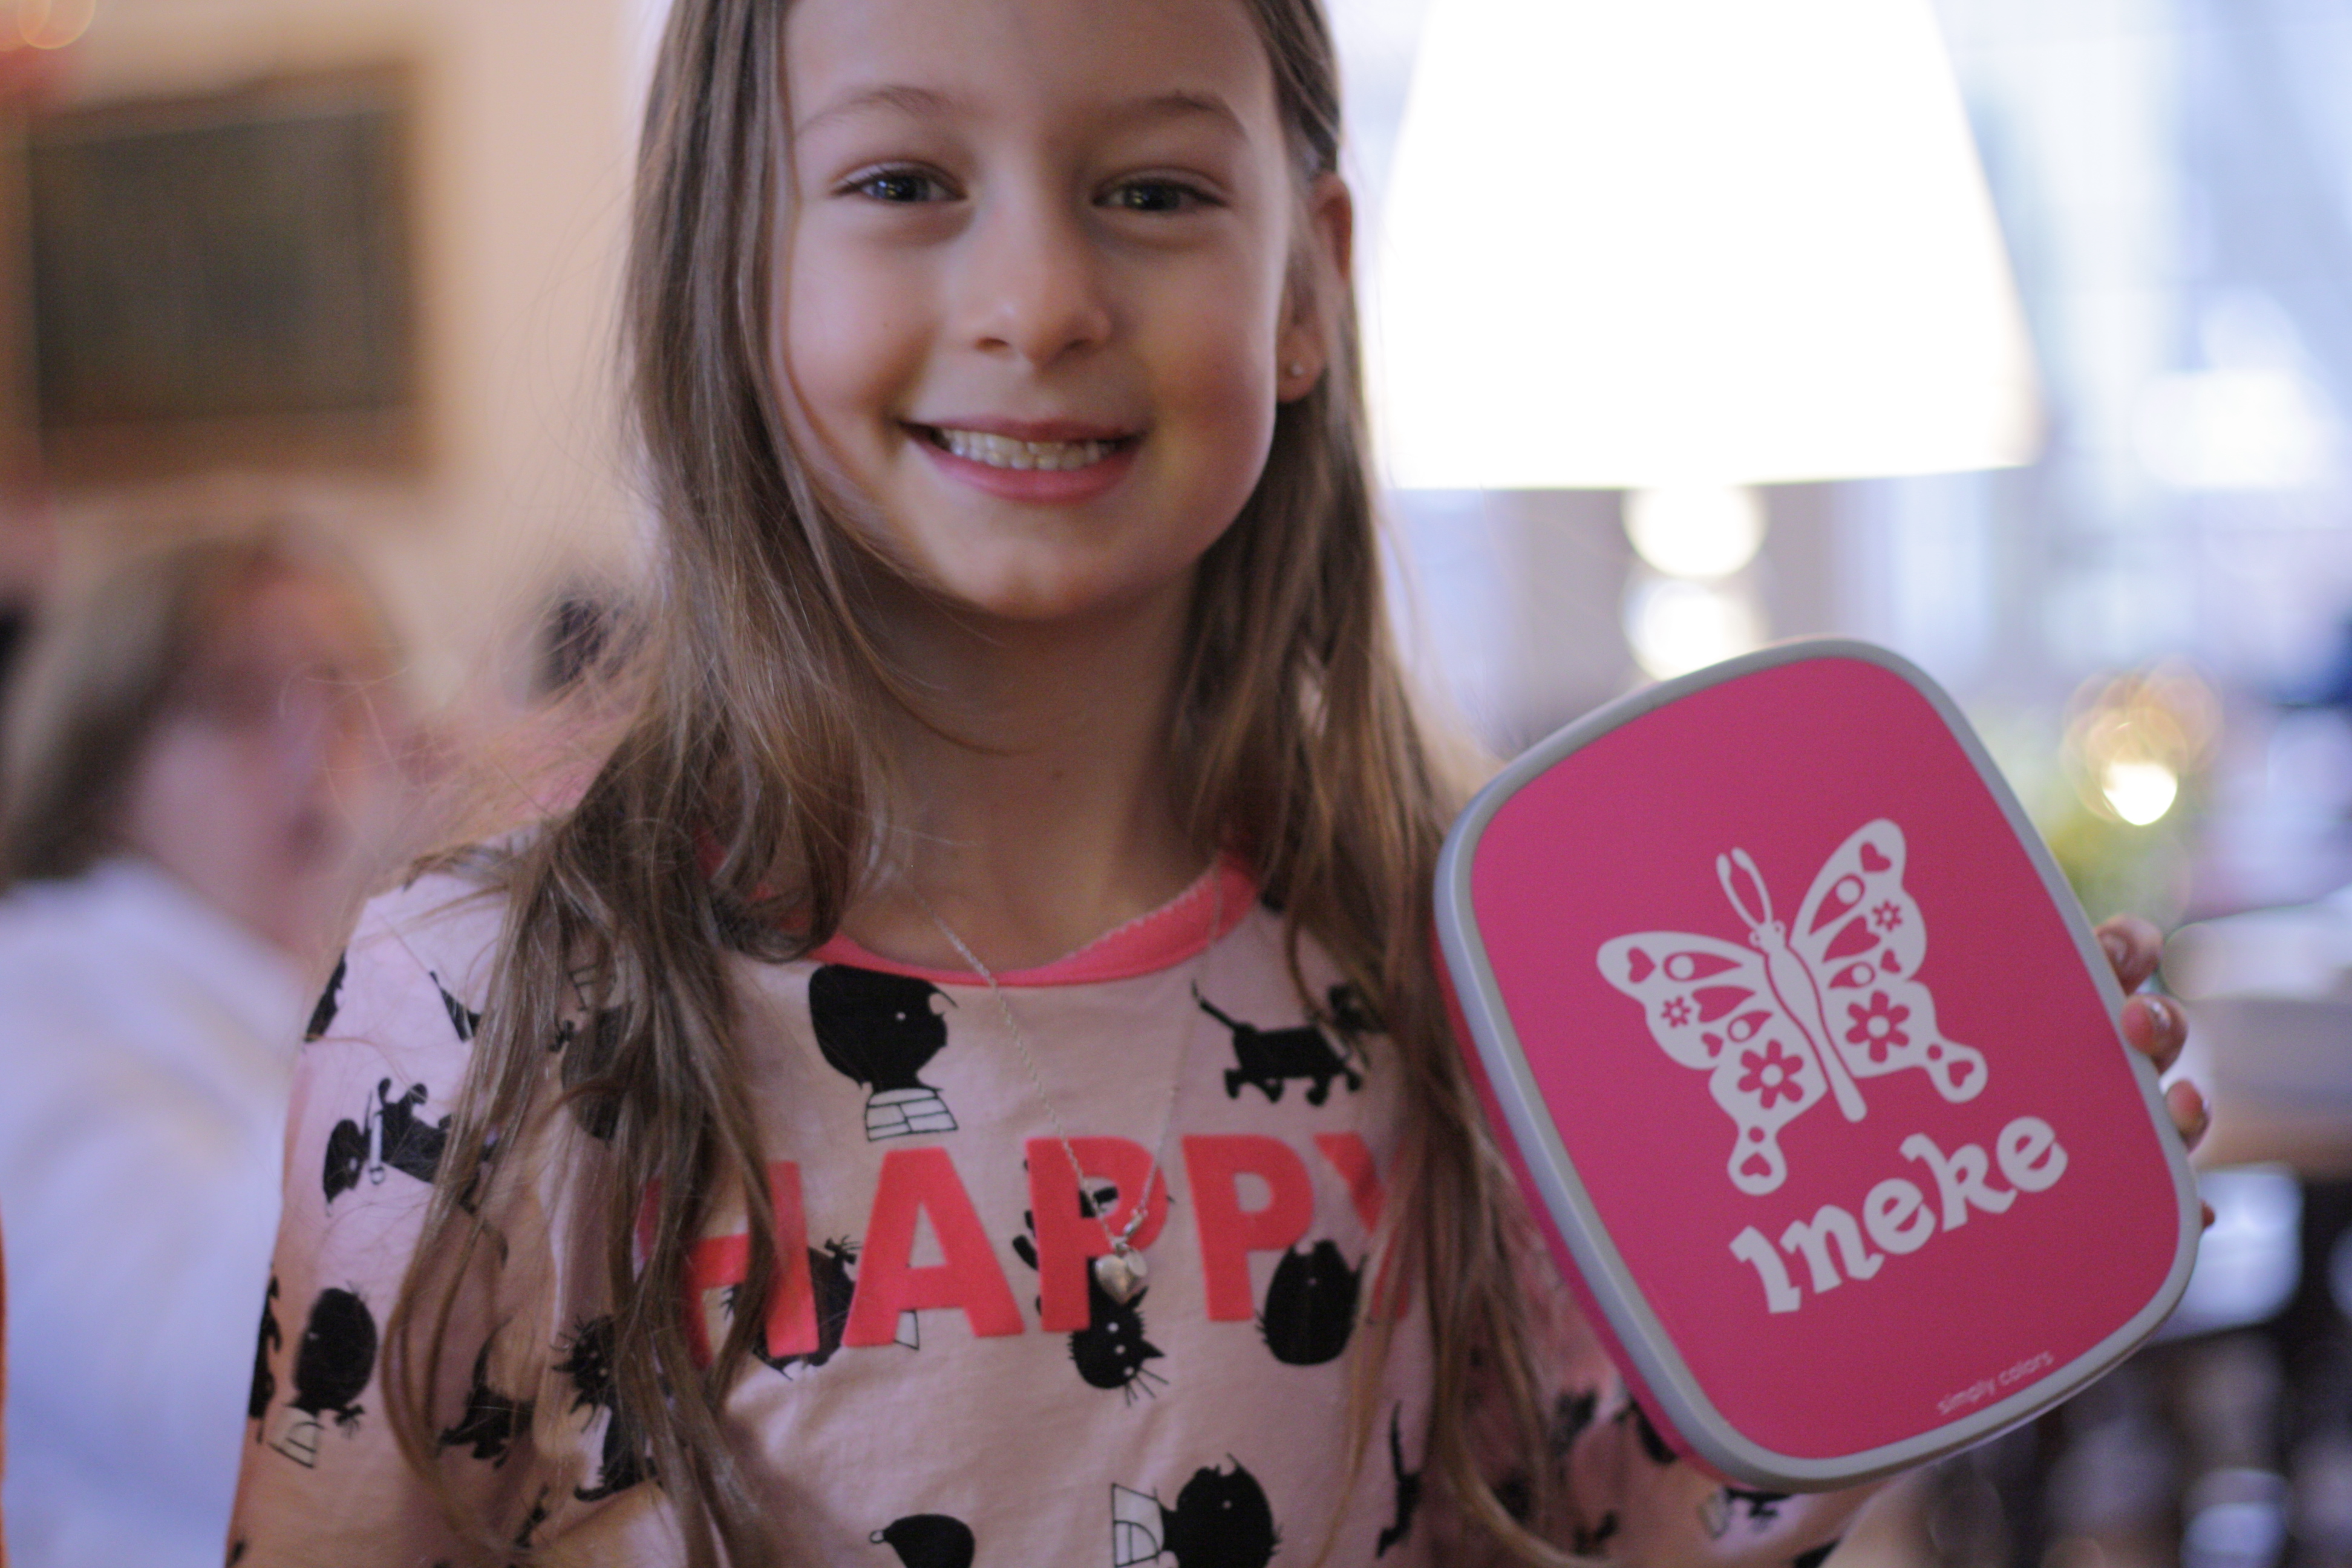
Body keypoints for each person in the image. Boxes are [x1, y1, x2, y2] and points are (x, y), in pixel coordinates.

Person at [226, 2, 2209, 1564]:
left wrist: (1873, 1349)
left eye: (1155, 192)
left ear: (1308, 287)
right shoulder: (476, 1011)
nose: (1039, 302)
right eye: (903, 179)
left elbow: (1569, 1529)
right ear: (725, 257)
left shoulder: (1462, 993)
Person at [0, 530, 413, 1568]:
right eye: (240, 700)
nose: (324, 741)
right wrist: (413, 967)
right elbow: (217, 1393)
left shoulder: (306, 986)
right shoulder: (34, 987)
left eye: (348, 687)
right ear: (102, 767)